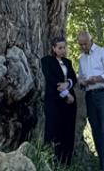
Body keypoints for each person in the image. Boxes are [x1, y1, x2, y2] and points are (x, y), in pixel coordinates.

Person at [77, 31, 104, 171]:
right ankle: (103, 164)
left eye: (85, 44)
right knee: (96, 130)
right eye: (80, 45)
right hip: (90, 96)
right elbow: (81, 77)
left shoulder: (102, 53)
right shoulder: (81, 59)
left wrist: (96, 79)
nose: (83, 47)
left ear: (91, 40)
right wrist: (82, 81)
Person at [40, 36, 78, 166]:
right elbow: (52, 80)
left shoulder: (68, 62)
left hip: (69, 104)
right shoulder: (47, 61)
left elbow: (73, 78)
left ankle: (66, 163)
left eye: (64, 47)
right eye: (60, 48)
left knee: (67, 131)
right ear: (54, 48)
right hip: (55, 101)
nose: (63, 50)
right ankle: (50, 162)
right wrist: (66, 94)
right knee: (53, 130)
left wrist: (68, 83)